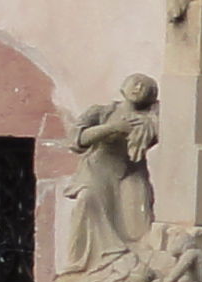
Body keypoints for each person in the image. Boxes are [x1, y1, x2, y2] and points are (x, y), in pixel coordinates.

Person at [63, 74, 159, 271]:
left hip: (130, 171)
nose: (139, 88)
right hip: (97, 170)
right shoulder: (101, 112)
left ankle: (133, 267)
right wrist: (111, 128)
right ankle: (82, 262)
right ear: (123, 86)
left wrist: (147, 124)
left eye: (146, 86)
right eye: (135, 83)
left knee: (138, 224)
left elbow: (167, 131)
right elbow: (77, 140)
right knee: (86, 200)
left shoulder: (151, 118)